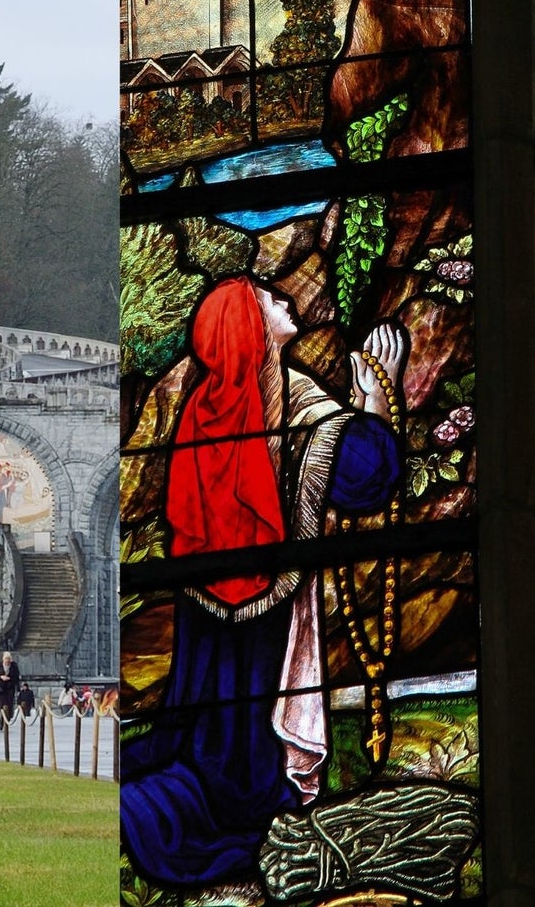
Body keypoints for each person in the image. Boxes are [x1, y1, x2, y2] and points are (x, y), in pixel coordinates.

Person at [121, 276, 406, 888]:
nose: (286, 302)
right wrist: (377, 397)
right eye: (269, 300)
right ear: (251, 328)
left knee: (203, 735)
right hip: (271, 623)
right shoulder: (298, 409)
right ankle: (251, 810)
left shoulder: (201, 414)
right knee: (253, 761)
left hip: (206, 620)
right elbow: (368, 475)